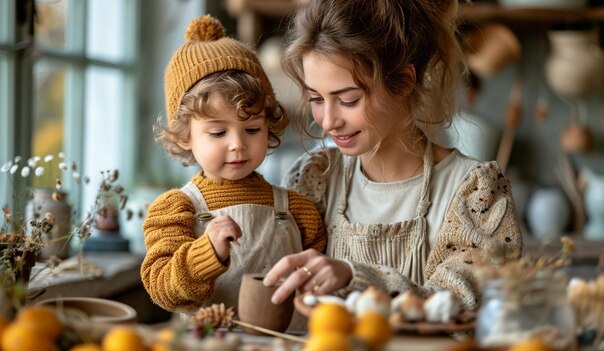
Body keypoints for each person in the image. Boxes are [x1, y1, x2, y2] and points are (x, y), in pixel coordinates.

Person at [262, 0, 523, 312]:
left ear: (403, 81)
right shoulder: (315, 179)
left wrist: (355, 278)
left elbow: (459, 306)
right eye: (316, 98)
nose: (327, 120)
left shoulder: (475, 193)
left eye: (348, 100)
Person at [141, 14, 326, 314]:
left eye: (252, 129)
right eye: (218, 132)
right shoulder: (176, 209)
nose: (238, 144)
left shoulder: (298, 210)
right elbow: (162, 288)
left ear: (269, 125)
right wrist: (206, 252)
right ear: (185, 135)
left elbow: (318, 287)